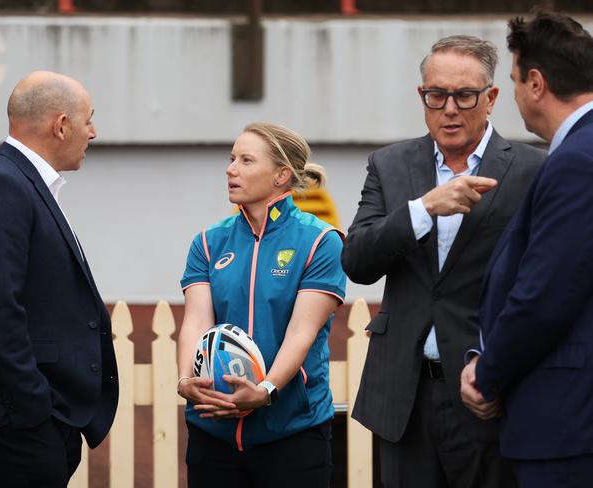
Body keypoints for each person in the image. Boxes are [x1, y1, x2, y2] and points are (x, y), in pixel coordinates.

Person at [342, 35, 546, 488]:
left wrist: (499, 369)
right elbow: (356, 261)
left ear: (491, 99)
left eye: (464, 96)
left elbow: (541, 285)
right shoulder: (390, 164)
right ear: (422, 97)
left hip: (485, 394)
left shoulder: (534, 170)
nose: (449, 109)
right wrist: (423, 209)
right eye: (437, 95)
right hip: (403, 398)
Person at [0, 71, 118, 487]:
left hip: (25, 421)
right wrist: (36, 410)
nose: (93, 132)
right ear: (61, 125)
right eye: (88, 119)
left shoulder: (19, 183)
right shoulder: (2, 188)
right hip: (15, 423)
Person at [460, 11, 593, 488]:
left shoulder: (577, 160)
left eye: (514, 81)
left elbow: (544, 295)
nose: (514, 95)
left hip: (567, 426)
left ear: (536, 83)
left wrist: (486, 374)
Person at [177, 122, 346, 487]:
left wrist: (265, 390)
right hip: (213, 433)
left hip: (294, 434)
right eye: (231, 158)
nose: (231, 168)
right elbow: (195, 322)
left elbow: (302, 332)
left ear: (281, 175)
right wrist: (187, 381)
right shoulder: (207, 242)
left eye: (246, 160)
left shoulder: (321, 241)